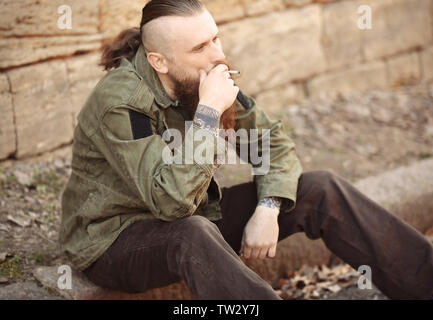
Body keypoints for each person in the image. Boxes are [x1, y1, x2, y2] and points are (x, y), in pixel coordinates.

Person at [59, 0, 433, 300]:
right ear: (159, 61)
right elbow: (170, 201)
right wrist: (207, 113)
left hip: (192, 215)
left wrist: (269, 208)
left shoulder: (202, 76)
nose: (217, 54)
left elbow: (272, 143)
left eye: (215, 38)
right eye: (200, 48)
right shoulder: (122, 104)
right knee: (192, 232)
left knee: (320, 189)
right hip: (115, 240)